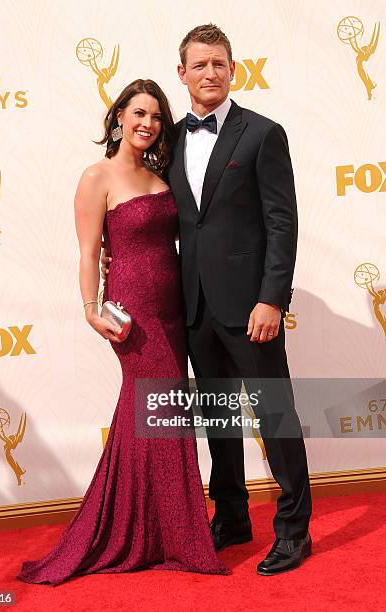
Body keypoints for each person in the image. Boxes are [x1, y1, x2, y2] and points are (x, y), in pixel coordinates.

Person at [102, 24, 312, 576]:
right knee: (219, 420)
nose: (209, 74)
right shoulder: (167, 140)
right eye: (199, 66)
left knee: (275, 416)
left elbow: (281, 224)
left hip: (251, 309)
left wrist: (272, 298)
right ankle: (233, 515)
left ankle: (294, 530)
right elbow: (142, 210)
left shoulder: (263, 134)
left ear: (233, 69)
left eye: (219, 64)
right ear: (182, 74)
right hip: (191, 306)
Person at [16, 78, 229, 586]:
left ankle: (152, 527)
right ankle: (168, 532)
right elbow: (90, 252)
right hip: (132, 311)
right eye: (138, 113)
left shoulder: (163, 173)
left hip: (174, 307)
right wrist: (91, 309)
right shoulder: (97, 177)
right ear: (117, 117)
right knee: (160, 407)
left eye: (156, 117)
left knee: (154, 411)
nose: (147, 124)